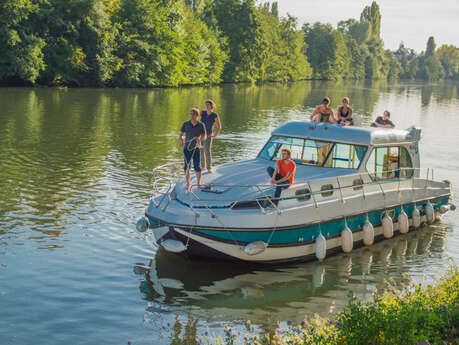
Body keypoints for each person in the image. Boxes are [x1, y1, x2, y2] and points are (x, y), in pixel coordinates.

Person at [179, 107, 207, 190]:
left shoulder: (201, 125)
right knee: (187, 166)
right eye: (190, 114)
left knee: (197, 166)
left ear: (197, 115)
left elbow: (204, 136)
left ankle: (198, 183)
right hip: (187, 148)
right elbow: (181, 134)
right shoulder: (186, 124)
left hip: (196, 148)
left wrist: (200, 139)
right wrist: (181, 140)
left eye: (193, 114)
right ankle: (188, 183)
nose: (191, 115)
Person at [200, 99, 221, 173]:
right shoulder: (202, 113)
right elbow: (194, 115)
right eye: (205, 104)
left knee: (207, 151)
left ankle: (209, 168)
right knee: (201, 151)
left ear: (211, 105)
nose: (206, 106)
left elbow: (219, 127)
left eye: (208, 104)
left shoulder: (214, 115)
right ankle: (203, 167)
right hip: (201, 135)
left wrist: (214, 135)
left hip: (208, 136)